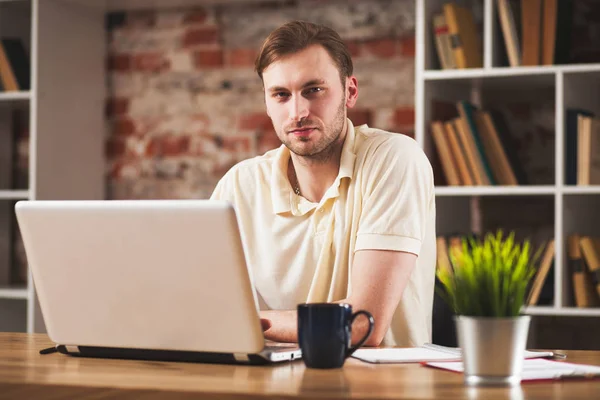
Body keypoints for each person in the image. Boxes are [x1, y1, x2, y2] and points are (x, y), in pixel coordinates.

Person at [210, 20, 436, 347]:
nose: (298, 112)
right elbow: (203, 307)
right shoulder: (239, 185)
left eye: (313, 90)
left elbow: (361, 325)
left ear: (350, 92)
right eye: (281, 95)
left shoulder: (394, 159)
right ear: (267, 103)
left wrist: (244, 320)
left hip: (382, 386)